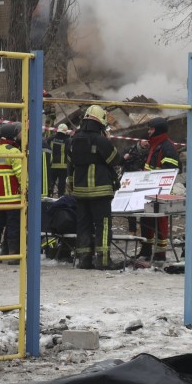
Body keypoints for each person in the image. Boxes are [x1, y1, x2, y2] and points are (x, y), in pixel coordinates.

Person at [68, 105, 121, 269]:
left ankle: (84, 259)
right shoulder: (100, 140)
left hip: (80, 191)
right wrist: (109, 141)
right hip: (100, 190)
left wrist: (71, 184)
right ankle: (103, 260)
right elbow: (114, 160)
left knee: (83, 224)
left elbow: (70, 165)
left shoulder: (73, 140)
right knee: (103, 225)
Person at [138, 117, 179, 263]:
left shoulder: (167, 147)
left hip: (161, 192)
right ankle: (146, 250)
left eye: (151, 129)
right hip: (149, 191)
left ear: (158, 130)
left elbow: (169, 170)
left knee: (160, 222)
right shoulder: (155, 145)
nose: (149, 132)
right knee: (146, 220)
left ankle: (160, 254)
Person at [0, 123, 23, 263]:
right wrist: (27, 190)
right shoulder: (14, 152)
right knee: (13, 226)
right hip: (13, 198)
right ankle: (13, 256)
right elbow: (21, 175)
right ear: (13, 135)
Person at [46, 123, 70, 197]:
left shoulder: (51, 139)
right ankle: (60, 196)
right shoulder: (67, 141)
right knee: (61, 184)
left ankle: (49, 195)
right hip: (63, 166)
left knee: (51, 182)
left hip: (52, 165)